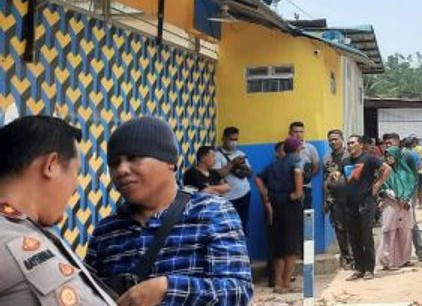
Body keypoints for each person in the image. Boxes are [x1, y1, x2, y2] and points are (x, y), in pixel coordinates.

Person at [87, 116, 252, 306]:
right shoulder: (106, 231)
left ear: (170, 162)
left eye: (134, 158)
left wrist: (167, 289)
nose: (122, 170)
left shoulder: (212, 213)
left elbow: (238, 292)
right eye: (114, 163)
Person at [0, 116, 115, 306]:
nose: (76, 187)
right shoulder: (13, 240)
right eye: (76, 172)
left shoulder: (25, 228)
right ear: (51, 165)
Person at [254, 139, 304, 293]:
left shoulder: (274, 164)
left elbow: (257, 178)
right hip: (290, 206)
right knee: (290, 247)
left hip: (275, 207)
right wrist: (296, 194)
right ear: (296, 150)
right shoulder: (296, 162)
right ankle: (286, 284)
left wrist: (266, 195)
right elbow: (298, 188)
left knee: (278, 247)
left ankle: (277, 283)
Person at [341, 135, 389, 281]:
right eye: (348, 143)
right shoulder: (345, 162)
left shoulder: (369, 158)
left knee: (366, 236)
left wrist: (378, 184)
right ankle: (358, 269)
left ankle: (369, 269)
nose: (349, 146)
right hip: (350, 203)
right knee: (354, 237)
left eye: (352, 143)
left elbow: (387, 169)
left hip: (366, 202)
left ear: (361, 145)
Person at [376, 146, 417, 271]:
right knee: (389, 231)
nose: (388, 159)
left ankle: (404, 259)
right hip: (391, 204)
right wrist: (397, 197)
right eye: (387, 156)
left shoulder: (406, 172)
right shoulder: (385, 172)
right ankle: (387, 261)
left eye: (391, 156)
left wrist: (406, 199)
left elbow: (412, 185)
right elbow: (383, 188)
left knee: (405, 232)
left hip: (405, 205)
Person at [322, 130, 354, 269]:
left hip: (352, 198)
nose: (332, 142)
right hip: (335, 199)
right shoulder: (326, 159)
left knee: (354, 228)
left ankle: (356, 256)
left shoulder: (351, 156)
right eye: (330, 140)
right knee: (340, 229)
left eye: (335, 139)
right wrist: (326, 199)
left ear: (342, 139)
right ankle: (346, 257)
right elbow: (325, 181)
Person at [212, 127, 252, 231]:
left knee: (243, 225)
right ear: (224, 138)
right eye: (231, 139)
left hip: (245, 194)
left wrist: (242, 166)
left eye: (236, 140)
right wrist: (233, 163)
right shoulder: (216, 156)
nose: (234, 142)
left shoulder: (240, 153)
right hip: (228, 198)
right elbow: (217, 175)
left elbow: (250, 173)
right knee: (230, 227)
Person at [288, 122, 320, 209]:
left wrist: (308, 176)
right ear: (290, 133)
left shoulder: (311, 148)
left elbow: (316, 167)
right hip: (289, 187)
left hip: (306, 187)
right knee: (290, 215)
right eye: (295, 132)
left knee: (306, 214)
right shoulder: (285, 147)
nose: (298, 134)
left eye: (301, 132)